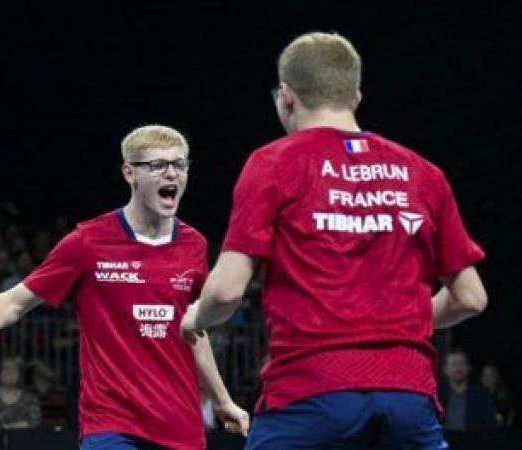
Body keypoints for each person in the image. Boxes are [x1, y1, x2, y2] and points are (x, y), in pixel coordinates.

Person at [181, 32, 487, 449]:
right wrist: (392, 322)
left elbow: (229, 289)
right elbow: (470, 297)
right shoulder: (422, 172)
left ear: (286, 97)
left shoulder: (274, 163)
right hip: (409, 399)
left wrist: (197, 318)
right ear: (356, 95)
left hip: (311, 396)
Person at [0, 125, 248, 449]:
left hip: (178, 422)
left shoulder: (194, 244)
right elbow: (14, 303)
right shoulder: (87, 242)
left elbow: (194, 329)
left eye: (179, 164)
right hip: (111, 423)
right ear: (130, 173)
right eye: (158, 165)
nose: (172, 174)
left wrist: (222, 400)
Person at [438, 349, 497, 431]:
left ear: (469, 367)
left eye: (461, 363)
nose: (458, 368)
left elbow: (490, 427)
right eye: (453, 364)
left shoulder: (482, 397)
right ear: (445, 369)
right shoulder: (437, 396)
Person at [480, 363, 515, 427]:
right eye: (484, 375)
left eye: (490, 375)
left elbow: (511, 413)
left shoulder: (503, 396)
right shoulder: (476, 396)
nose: (486, 378)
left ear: (496, 377)